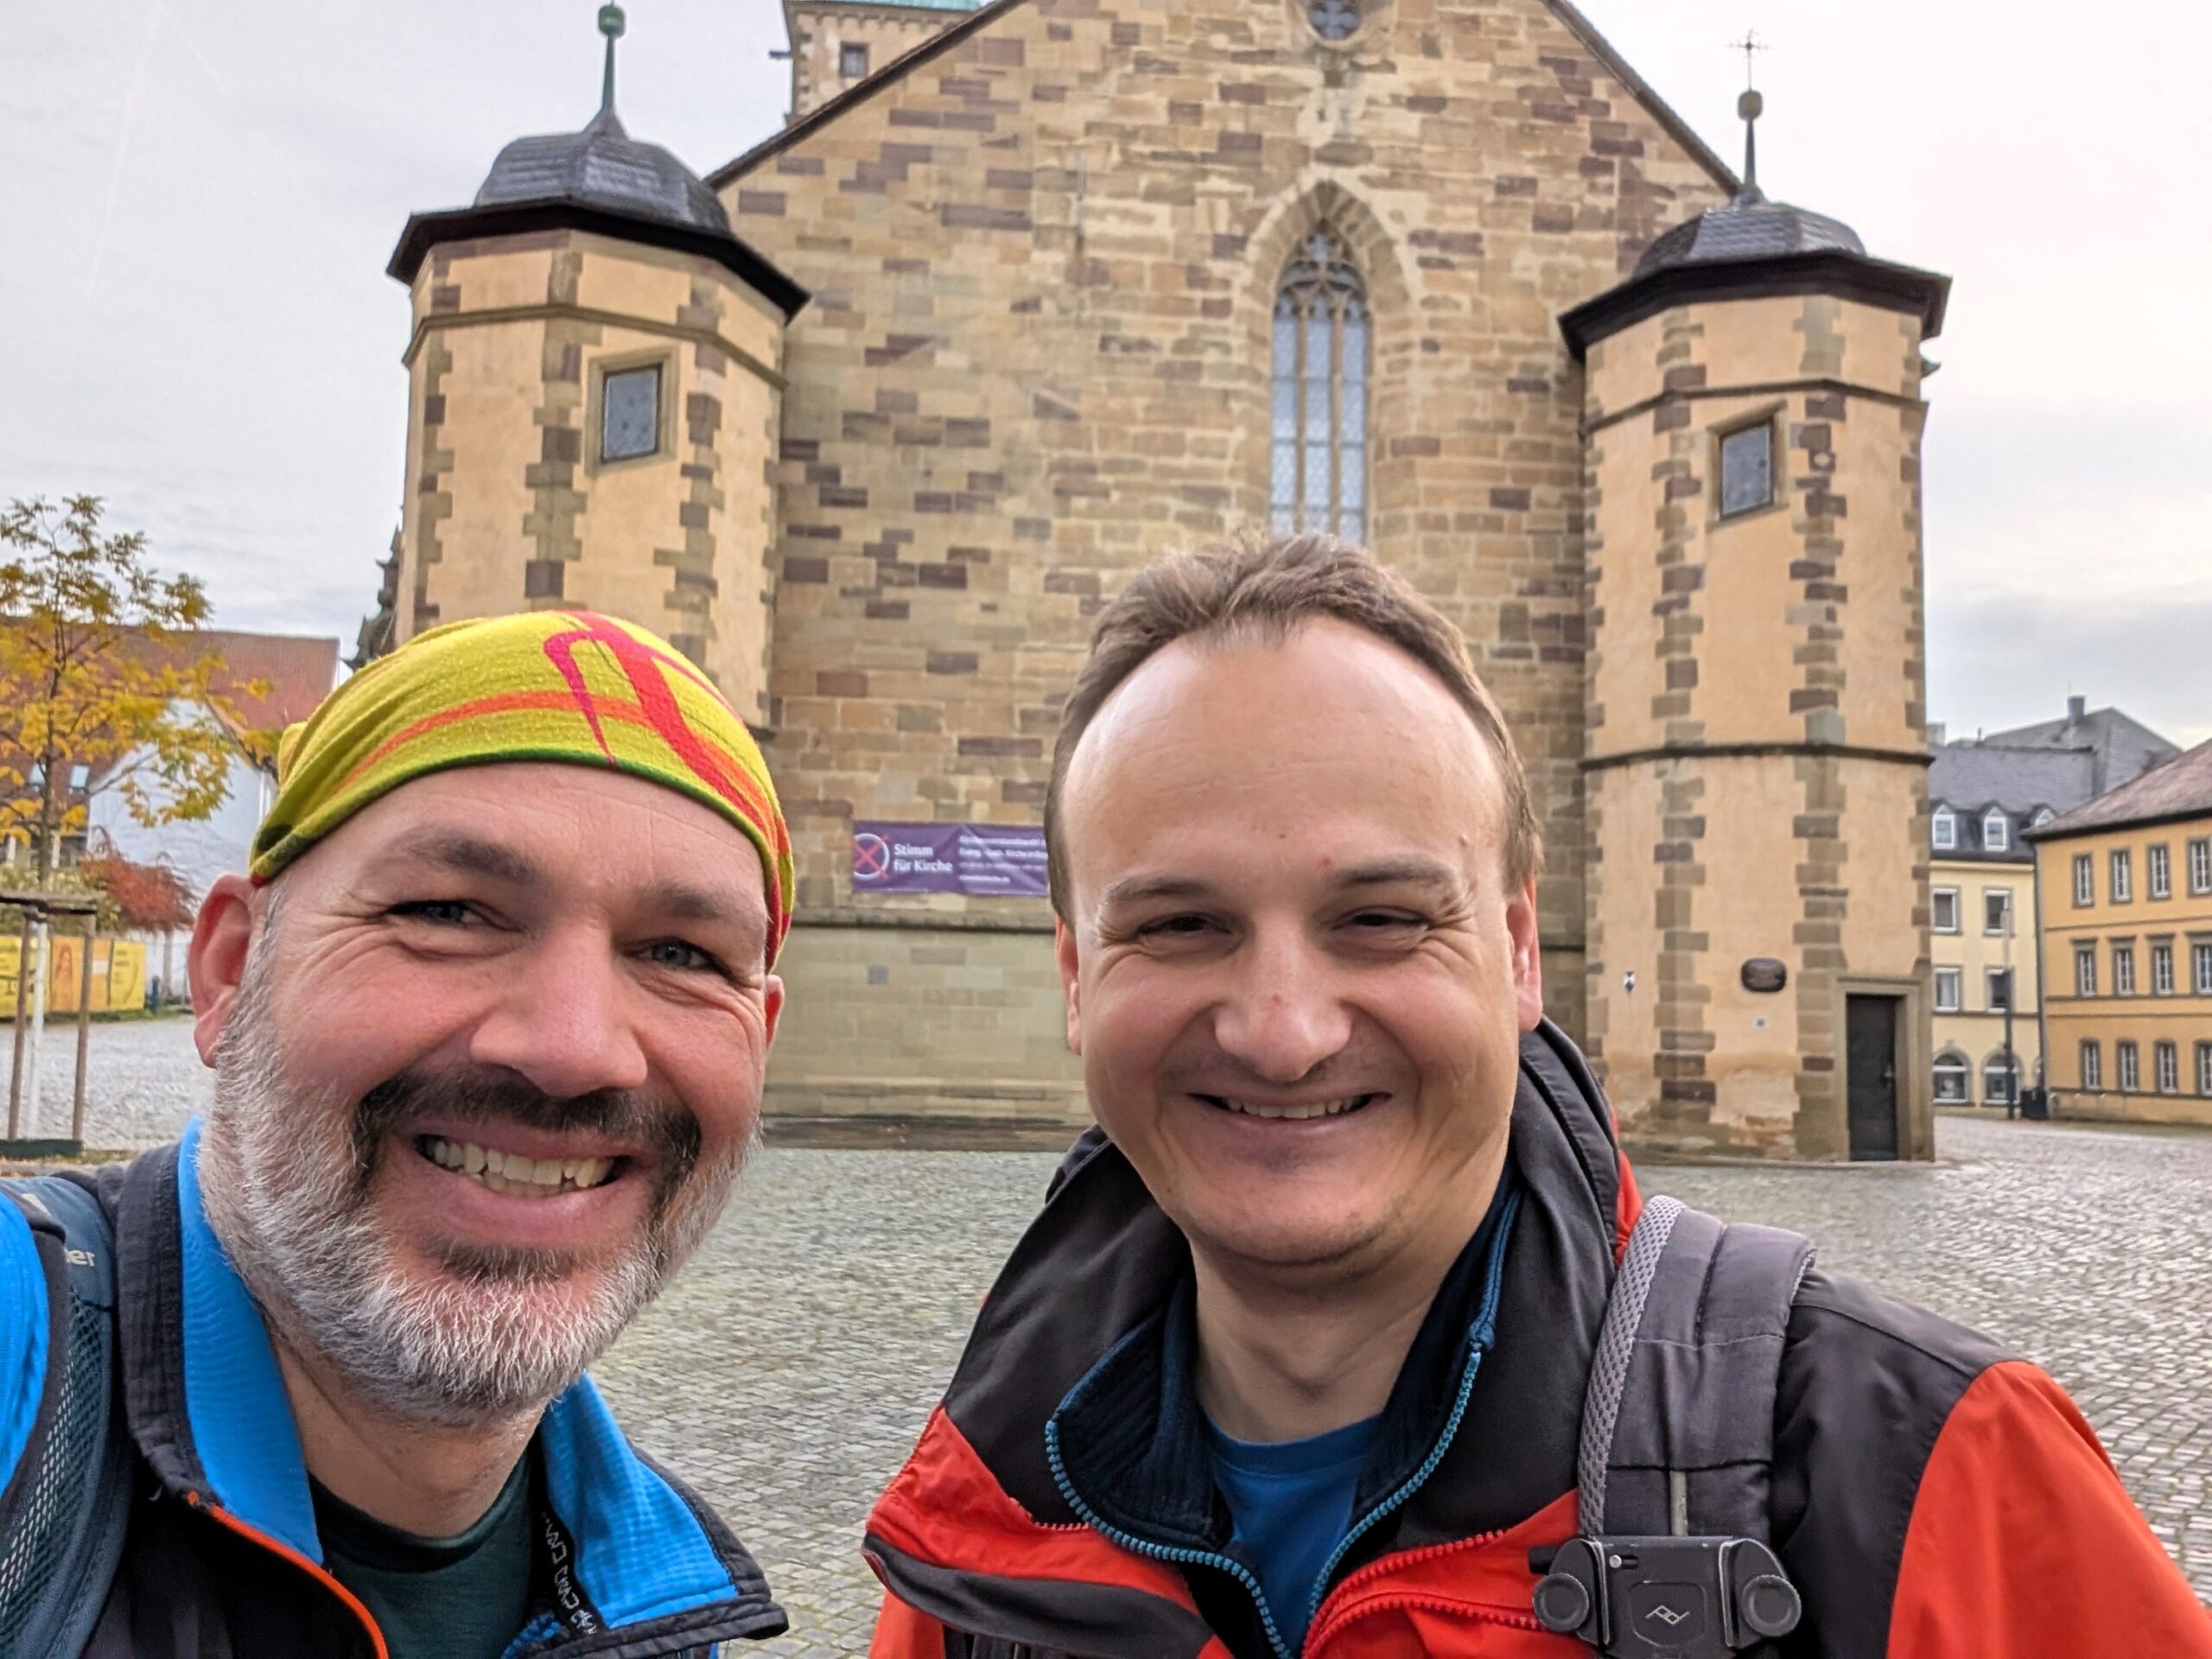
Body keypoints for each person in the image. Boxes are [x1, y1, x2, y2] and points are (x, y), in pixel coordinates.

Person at [862, 537, 2212, 1658]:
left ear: (1518, 952)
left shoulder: (1925, 1472)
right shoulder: (988, 1534)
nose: (1282, 1032)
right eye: (1179, 925)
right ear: (1076, 974)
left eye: (1381, 918)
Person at [0, 611, 796, 1657]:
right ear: (233, 971)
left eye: (685, 955)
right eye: (449, 911)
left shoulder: (663, 1602)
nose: (574, 1048)